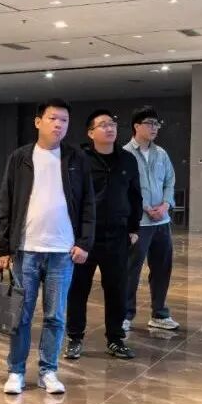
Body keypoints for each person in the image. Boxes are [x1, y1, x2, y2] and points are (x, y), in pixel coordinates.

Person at [0, 98, 95, 395]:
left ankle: (48, 371)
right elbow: (6, 202)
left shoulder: (76, 158)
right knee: (20, 315)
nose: (59, 124)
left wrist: (84, 242)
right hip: (26, 249)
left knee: (55, 316)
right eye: (53, 118)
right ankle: (16, 371)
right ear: (38, 122)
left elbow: (88, 204)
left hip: (62, 252)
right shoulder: (20, 158)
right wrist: (3, 248)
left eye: (64, 120)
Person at [65, 109, 142, 361]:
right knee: (78, 288)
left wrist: (134, 228)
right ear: (90, 133)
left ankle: (115, 339)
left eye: (112, 124)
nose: (110, 128)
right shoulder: (80, 160)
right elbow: (71, 197)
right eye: (103, 125)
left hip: (118, 235)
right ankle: (75, 338)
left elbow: (135, 195)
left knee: (117, 288)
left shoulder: (127, 160)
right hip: (85, 237)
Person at [123, 105, 179, 332]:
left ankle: (159, 314)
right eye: (150, 123)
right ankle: (125, 315)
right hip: (139, 223)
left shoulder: (161, 153)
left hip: (162, 222)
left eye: (157, 124)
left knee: (162, 268)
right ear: (137, 126)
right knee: (131, 270)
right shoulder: (125, 154)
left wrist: (165, 205)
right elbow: (125, 188)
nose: (154, 128)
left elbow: (170, 181)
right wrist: (146, 208)